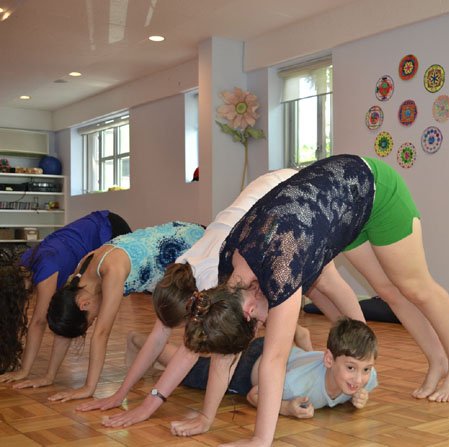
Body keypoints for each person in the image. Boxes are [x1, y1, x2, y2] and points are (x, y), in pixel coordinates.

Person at [183, 154, 449, 446]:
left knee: (415, 286)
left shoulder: (281, 269)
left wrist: (260, 439)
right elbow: (228, 353)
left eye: (258, 321)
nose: (264, 321)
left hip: (372, 186)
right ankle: (437, 360)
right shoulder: (229, 272)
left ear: (248, 308)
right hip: (343, 207)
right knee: (387, 291)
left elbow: (275, 359)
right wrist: (206, 418)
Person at [76, 169, 364, 419]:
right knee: (318, 286)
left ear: (195, 306)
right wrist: (121, 394)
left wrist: (193, 413)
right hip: (269, 201)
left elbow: (219, 356)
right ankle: (358, 355)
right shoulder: (184, 273)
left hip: (292, 196)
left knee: (326, 281)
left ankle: (364, 354)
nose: (187, 332)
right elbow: (157, 339)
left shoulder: (221, 280)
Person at [22, 221, 204, 402]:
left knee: (194, 320)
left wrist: (88, 388)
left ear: (84, 304)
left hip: (195, 243)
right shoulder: (79, 278)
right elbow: (68, 321)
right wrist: (49, 376)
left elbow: (101, 333)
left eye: (91, 320)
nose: (95, 320)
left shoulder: (111, 271)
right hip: (177, 243)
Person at [124, 316, 377, 435]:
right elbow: (255, 394)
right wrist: (286, 408)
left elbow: (361, 382)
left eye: (365, 369)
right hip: (249, 369)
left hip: (279, 351)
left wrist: (358, 398)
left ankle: (298, 333)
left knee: (206, 357)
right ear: (330, 359)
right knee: (195, 368)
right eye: (351, 368)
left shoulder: (367, 378)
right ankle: (139, 342)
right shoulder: (297, 385)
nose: (360, 378)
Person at [0, 210, 131, 381]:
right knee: (69, 310)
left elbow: (39, 322)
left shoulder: (46, 271)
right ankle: (50, 375)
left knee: (132, 287)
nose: (26, 296)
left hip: (109, 227)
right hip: (91, 226)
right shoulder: (23, 265)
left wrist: (24, 371)